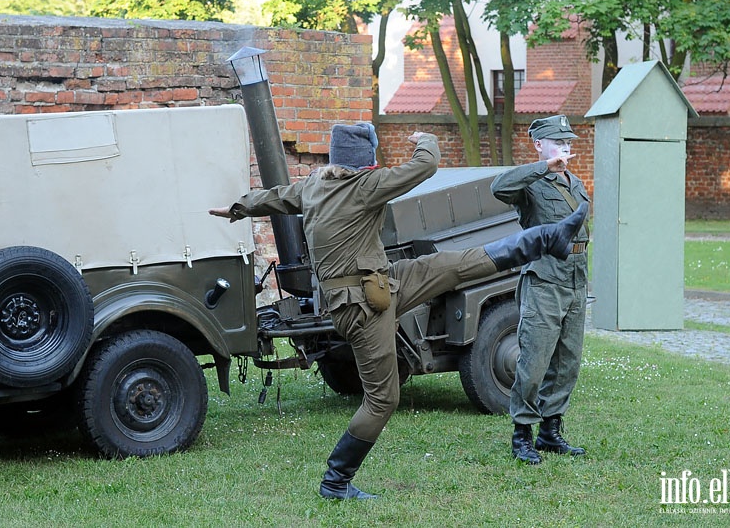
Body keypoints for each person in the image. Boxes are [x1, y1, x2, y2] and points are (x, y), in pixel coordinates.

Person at [211, 122, 588, 499]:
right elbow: (425, 166)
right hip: (364, 307)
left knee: (450, 266)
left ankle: (542, 239)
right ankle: (336, 480)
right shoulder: (365, 186)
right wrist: (425, 139)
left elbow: (275, 197)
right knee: (383, 399)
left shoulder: (312, 186)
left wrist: (237, 208)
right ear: (368, 161)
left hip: (381, 282)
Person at [491, 114, 591, 465]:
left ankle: (551, 430)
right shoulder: (532, 184)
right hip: (545, 281)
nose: (566, 146)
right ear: (539, 145)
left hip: (576, 280)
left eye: (568, 142)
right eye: (557, 141)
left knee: (567, 362)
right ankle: (523, 435)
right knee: (534, 361)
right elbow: (498, 187)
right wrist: (543, 167)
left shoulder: (575, 183)